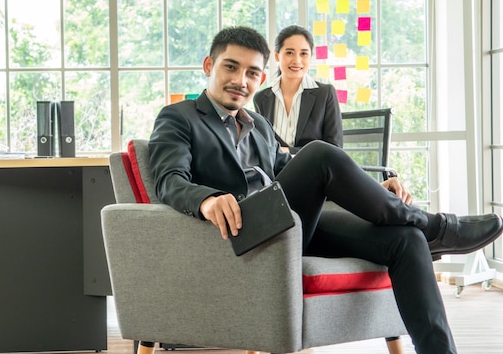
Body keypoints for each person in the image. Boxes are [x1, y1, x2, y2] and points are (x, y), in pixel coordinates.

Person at [148, 26, 503, 354]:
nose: (241, 81)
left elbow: (294, 174)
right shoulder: (179, 117)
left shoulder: (259, 126)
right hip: (243, 233)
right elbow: (169, 180)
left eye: (252, 73)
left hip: (288, 227)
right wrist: (207, 199)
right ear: (209, 65)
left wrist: (372, 189)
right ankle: (438, 228)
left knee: (405, 238)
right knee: (318, 152)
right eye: (230, 67)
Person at [254, 24, 342, 154]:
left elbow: (335, 149)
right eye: (289, 53)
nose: (297, 60)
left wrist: (287, 151)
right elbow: (263, 148)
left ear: (310, 56)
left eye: (304, 54)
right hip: (276, 173)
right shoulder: (261, 98)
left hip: (316, 171)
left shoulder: (325, 93)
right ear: (277, 55)